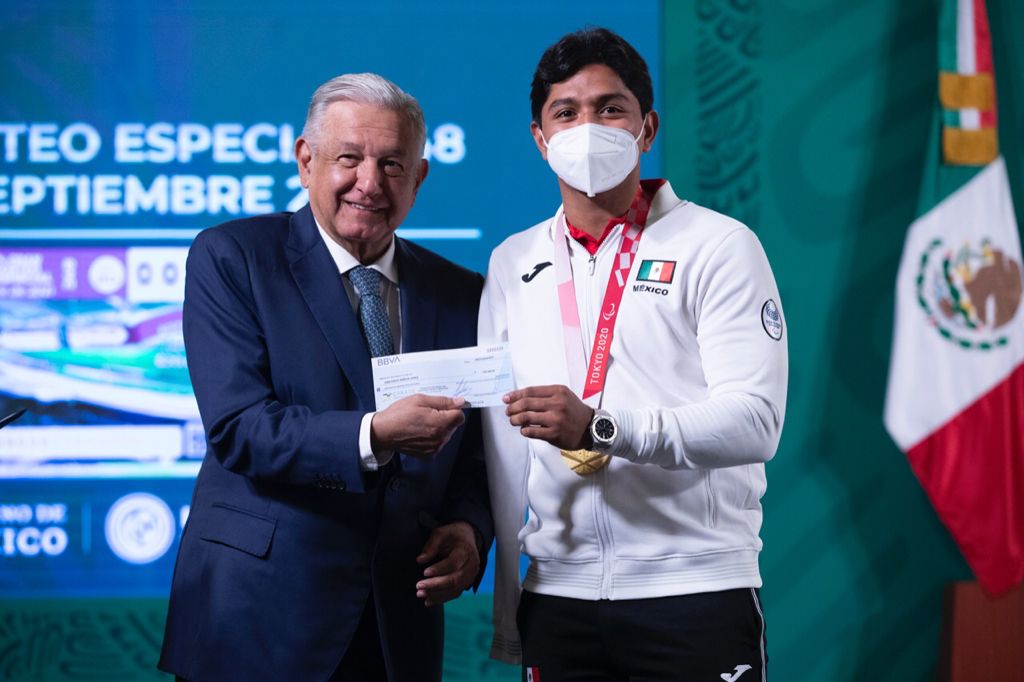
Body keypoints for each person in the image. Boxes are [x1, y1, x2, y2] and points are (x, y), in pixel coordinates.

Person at [159, 73, 492, 682]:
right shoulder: (232, 257)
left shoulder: (462, 293)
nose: (370, 183)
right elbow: (239, 428)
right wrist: (374, 435)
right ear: (306, 161)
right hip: (258, 620)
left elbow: (477, 451)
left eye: (393, 164)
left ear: (418, 179)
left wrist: (470, 530)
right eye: (349, 158)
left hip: (398, 624)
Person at [479, 28, 787, 681]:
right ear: (540, 139)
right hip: (558, 600)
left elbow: (755, 420)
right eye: (566, 112)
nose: (587, 127)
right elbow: (504, 455)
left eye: (610, 108)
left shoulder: (719, 246)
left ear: (647, 128)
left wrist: (599, 427)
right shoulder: (513, 262)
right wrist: (510, 612)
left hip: (694, 592)